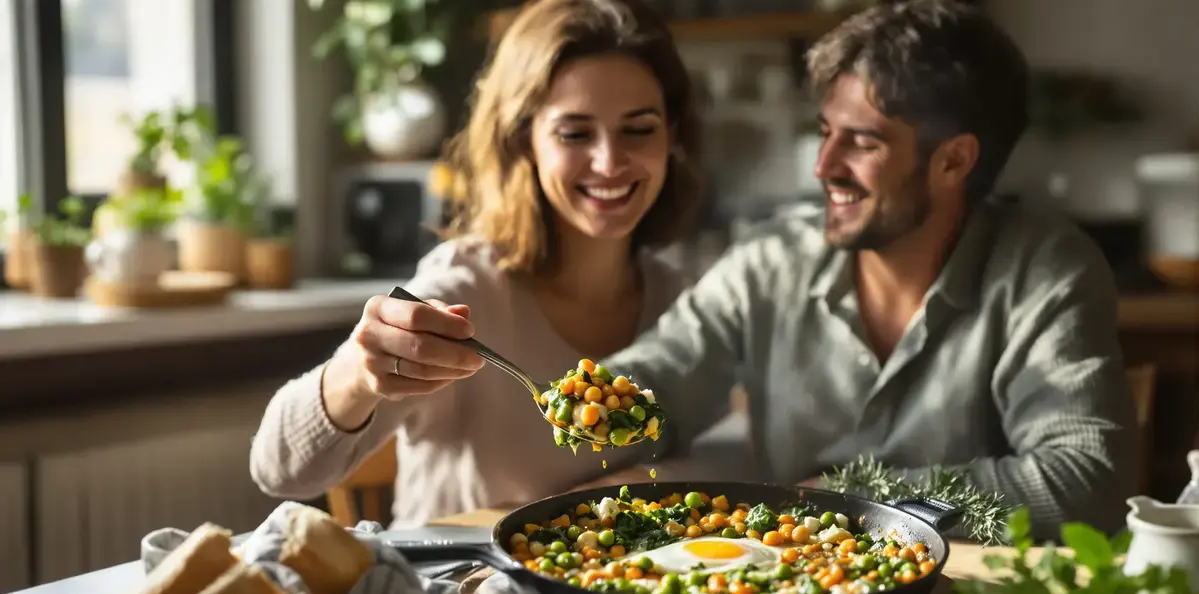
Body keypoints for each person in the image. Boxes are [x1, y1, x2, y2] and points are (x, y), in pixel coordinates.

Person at [369, 0, 1139, 539]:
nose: (823, 165)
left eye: (862, 142)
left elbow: (1085, 481)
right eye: (825, 132)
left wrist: (852, 500)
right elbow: (664, 382)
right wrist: (584, 398)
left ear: (954, 160)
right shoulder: (771, 263)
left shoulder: (1046, 268)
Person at [249, 0, 704, 527]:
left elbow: (724, 449)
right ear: (523, 140)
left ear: (672, 136)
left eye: (639, 129)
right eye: (575, 133)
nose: (609, 161)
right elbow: (277, 471)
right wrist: (356, 372)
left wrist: (611, 490)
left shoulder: (681, 299)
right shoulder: (463, 289)